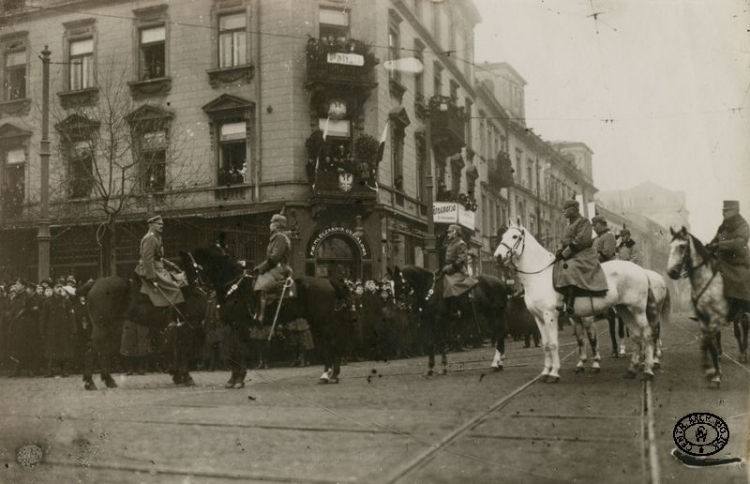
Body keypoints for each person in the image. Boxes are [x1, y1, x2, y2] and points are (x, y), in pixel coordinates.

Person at [553, 199, 608, 315]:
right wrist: (559, 249)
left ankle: (570, 304)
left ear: (573, 209)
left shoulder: (584, 222)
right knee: (557, 265)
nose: (564, 212)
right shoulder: (569, 225)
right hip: (571, 253)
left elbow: (581, 241)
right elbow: (562, 240)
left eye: (566, 209)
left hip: (583, 253)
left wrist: (564, 254)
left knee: (570, 267)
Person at [706, 200, 750, 329]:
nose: (723, 213)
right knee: (707, 275)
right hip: (722, 260)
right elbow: (714, 241)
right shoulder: (722, 227)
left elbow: (739, 243)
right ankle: (709, 309)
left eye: (727, 210)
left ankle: (742, 308)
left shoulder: (743, 226)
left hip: (738, 261)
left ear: (736, 211)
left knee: (740, 280)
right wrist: (706, 248)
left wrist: (719, 245)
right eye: (723, 210)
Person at [131, 215, 185, 318]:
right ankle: (172, 319)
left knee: (178, 281)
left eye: (162, 224)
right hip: (150, 269)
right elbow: (148, 258)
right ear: (152, 225)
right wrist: (151, 276)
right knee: (175, 289)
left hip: (158, 267)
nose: (162, 226)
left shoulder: (156, 237)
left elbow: (159, 257)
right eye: (159, 224)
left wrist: (172, 265)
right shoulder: (150, 238)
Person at [591, 215, 623, 357]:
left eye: (595, 225)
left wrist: (594, 257)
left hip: (608, 266)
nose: (594, 227)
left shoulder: (609, 235)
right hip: (599, 266)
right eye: (593, 225)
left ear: (602, 224)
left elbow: (607, 253)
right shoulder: (596, 238)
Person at [441, 224, 478, 319]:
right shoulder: (451, 243)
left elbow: (460, 260)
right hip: (450, 269)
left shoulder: (461, 243)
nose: (448, 234)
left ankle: (456, 309)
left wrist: (449, 269)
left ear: (455, 233)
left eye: (449, 232)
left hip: (458, 271)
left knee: (452, 285)